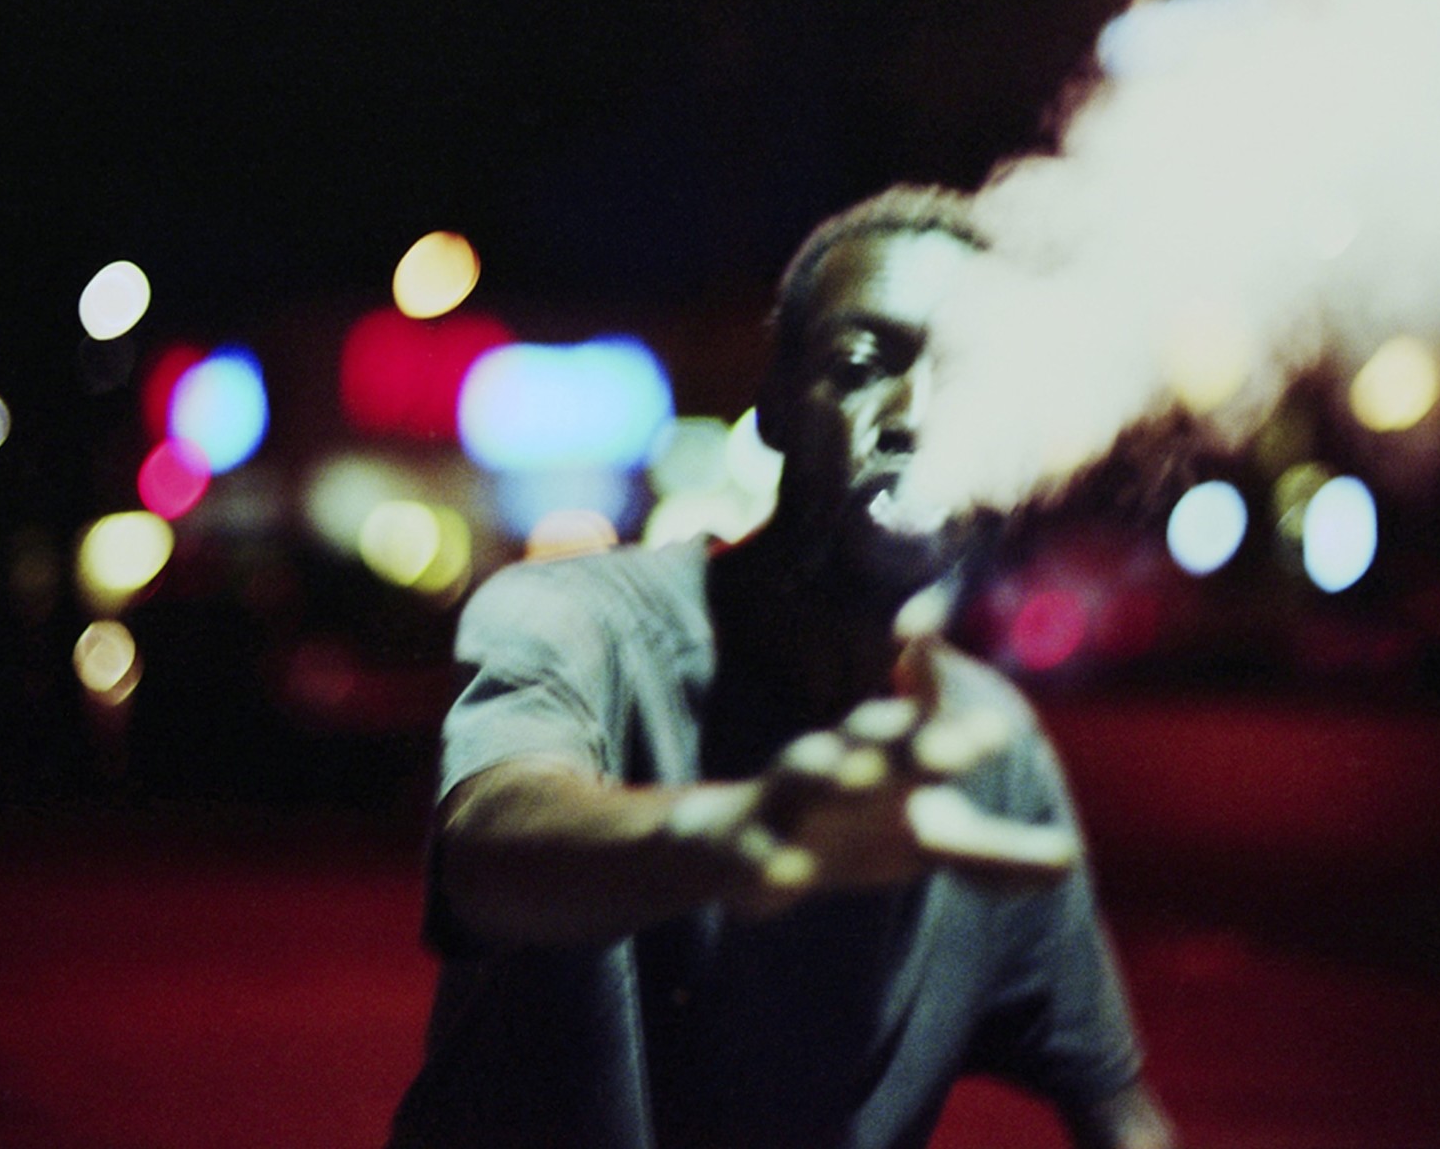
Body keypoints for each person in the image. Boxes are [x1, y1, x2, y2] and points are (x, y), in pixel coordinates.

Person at [389, 186, 1174, 1149]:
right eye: (860, 366)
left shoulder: (992, 749)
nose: (916, 417)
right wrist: (732, 835)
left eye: (969, 382)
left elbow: (1117, 1109)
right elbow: (487, 851)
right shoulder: (577, 619)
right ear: (774, 402)